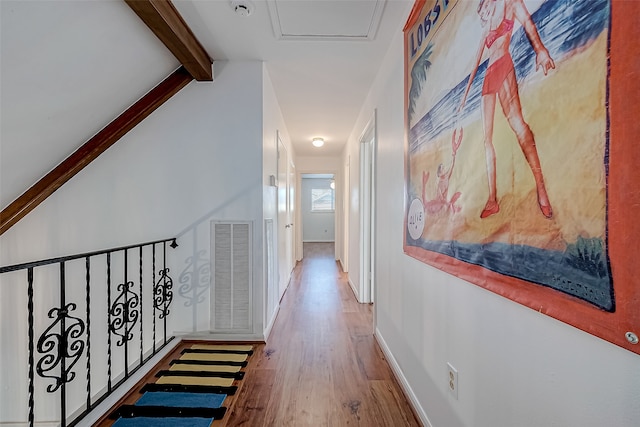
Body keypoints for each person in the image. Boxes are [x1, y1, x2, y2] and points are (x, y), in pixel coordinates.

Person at [458, 0, 554, 219]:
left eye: (484, 9)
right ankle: (492, 200)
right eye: (481, 12)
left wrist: (540, 50)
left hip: (503, 65)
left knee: (518, 124)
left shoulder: (510, 4)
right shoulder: (484, 31)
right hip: (489, 78)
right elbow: (474, 67)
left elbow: (528, 23)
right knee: (486, 140)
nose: (483, 14)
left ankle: (541, 187)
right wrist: (463, 98)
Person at [422, 129, 463, 214]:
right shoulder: (439, 182)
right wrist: (451, 204)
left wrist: (454, 153)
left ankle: (452, 205)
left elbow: (452, 165)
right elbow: (441, 199)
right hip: (439, 204)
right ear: (439, 173)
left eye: (443, 168)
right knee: (426, 205)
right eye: (442, 169)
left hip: (442, 203)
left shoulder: (447, 176)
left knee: (453, 197)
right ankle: (453, 207)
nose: (444, 169)